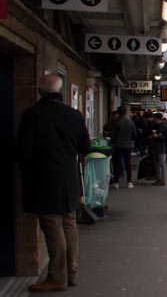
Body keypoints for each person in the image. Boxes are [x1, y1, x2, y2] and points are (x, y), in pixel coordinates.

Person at [14, 74, 90, 292]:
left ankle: (57, 278)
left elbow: (24, 150)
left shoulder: (33, 115)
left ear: (40, 92)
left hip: (45, 181)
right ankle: (71, 273)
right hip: (69, 180)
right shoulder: (75, 115)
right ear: (60, 91)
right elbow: (85, 147)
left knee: (53, 227)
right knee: (69, 225)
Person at [110, 106, 138, 188]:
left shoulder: (116, 122)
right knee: (127, 164)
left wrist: (112, 141)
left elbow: (113, 135)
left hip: (117, 145)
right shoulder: (130, 122)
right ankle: (129, 182)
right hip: (127, 146)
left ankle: (116, 182)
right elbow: (134, 134)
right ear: (126, 112)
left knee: (116, 164)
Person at [147, 112, 167, 185]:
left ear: (157, 118)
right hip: (154, 147)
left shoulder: (164, 127)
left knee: (161, 164)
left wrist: (158, 136)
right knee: (156, 164)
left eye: (154, 118)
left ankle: (162, 179)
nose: (153, 119)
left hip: (161, 148)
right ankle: (158, 178)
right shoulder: (154, 125)